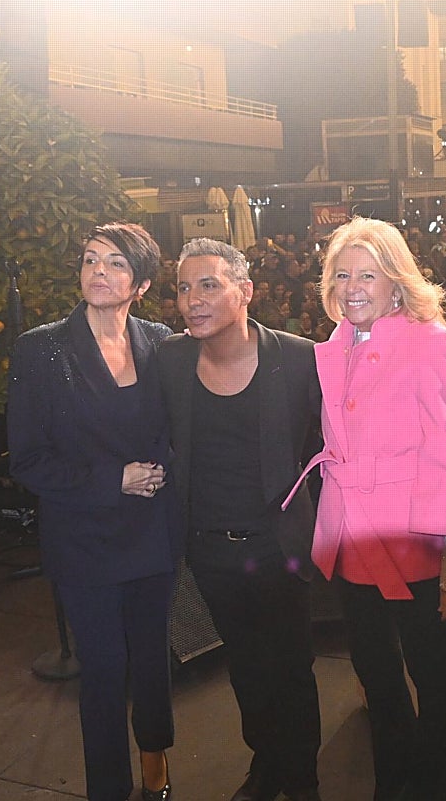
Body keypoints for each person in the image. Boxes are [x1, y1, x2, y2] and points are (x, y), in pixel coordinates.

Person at [297, 217, 446, 801]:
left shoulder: (430, 342)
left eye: (367, 275)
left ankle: (444, 787)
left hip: (416, 544)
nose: (352, 287)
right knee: (375, 674)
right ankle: (395, 781)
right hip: (352, 538)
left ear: (396, 284)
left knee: (434, 678)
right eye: (342, 274)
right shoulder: (337, 344)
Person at [8, 223, 178, 801]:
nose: (98, 271)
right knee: (103, 672)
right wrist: (114, 480)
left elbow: (178, 429)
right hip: (85, 540)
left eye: (115, 264)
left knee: (153, 661)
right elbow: (27, 460)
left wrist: (163, 469)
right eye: (89, 260)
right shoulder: (40, 348)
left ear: (143, 283)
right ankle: (108, 787)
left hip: (153, 533)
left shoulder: (161, 340)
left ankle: (157, 767)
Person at [158, 238, 323, 801]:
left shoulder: (300, 358)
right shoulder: (171, 361)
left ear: (245, 291)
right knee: (247, 670)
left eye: (209, 285)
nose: (193, 301)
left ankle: (301, 781)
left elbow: (333, 448)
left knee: (293, 672)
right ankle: (267, 766)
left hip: (280, 548)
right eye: (183, 287)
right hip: (210, 551)